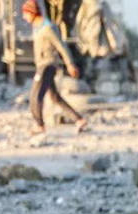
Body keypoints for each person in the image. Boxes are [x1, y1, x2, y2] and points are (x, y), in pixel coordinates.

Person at [21, 0, 86, 136]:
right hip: (42, 64)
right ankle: (78, 119)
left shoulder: (47, 28)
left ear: (33, 13)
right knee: (55, 97)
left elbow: (61, 46)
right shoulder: (37, 27)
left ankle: (39, 125)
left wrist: (70, 64)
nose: (24, 17)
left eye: (26, 14)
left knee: (35, 95)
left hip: (47, 65)